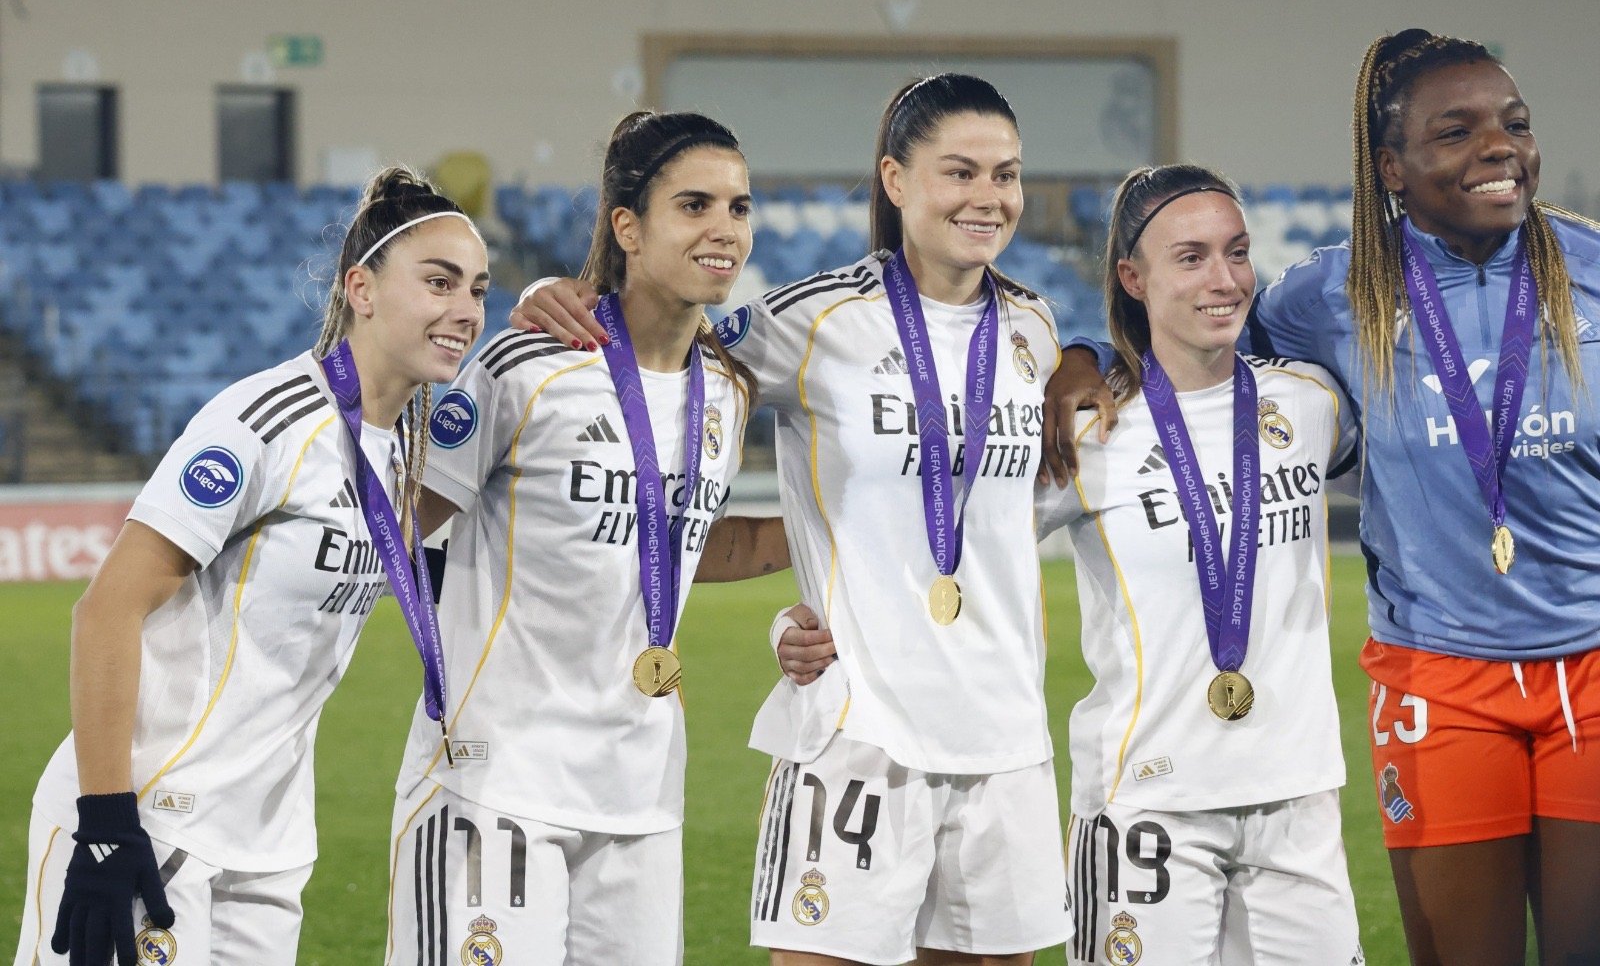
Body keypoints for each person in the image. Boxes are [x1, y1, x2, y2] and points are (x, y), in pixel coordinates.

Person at [1047, 30, 1600, 966]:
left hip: (1592, 665)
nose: (1498, 148)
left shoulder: (1590, 265)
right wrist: (1083, 355)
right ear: (1391, 166)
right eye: (1456, 132)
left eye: (1513, 124)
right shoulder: (1333, 292)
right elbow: (1191, 326)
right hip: (1440, 677)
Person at [514, 73, 1072, 966]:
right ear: (895, 180)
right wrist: (562, 292)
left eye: (1005, 174)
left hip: (1004, 737)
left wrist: (1079, 357)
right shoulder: (807, 320)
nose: (988, 197)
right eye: (959, 172)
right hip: (859, 734)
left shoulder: (1036, 331)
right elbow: (652, 346)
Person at [15, 167, 488, 966]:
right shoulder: (265, 421)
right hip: (149, 816)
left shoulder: (408, 446)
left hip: (267, 844)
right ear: (362, 289)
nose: (466, 310)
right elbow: (106, 609)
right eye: (438, 282)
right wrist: (103, 820)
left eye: (477, 288)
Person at [384, 111, 789, 966]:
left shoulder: (726, 389)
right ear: (628, 227)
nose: (725, 229)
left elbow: (676, 543)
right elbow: (401, 521)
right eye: (695, 204)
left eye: (740, 207)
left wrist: (836, 535)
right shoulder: (526, 365)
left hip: (640, 793)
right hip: (495, 782)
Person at [1032, 163, 1361, 963]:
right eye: (1191, 257)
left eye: (1237, 251)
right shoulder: (1089, 429)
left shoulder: (1312, 402)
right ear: (1132, 277)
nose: (1224, 279)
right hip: (1150, 802)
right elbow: (956, 548)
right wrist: (806, 623)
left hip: (1298, 797)